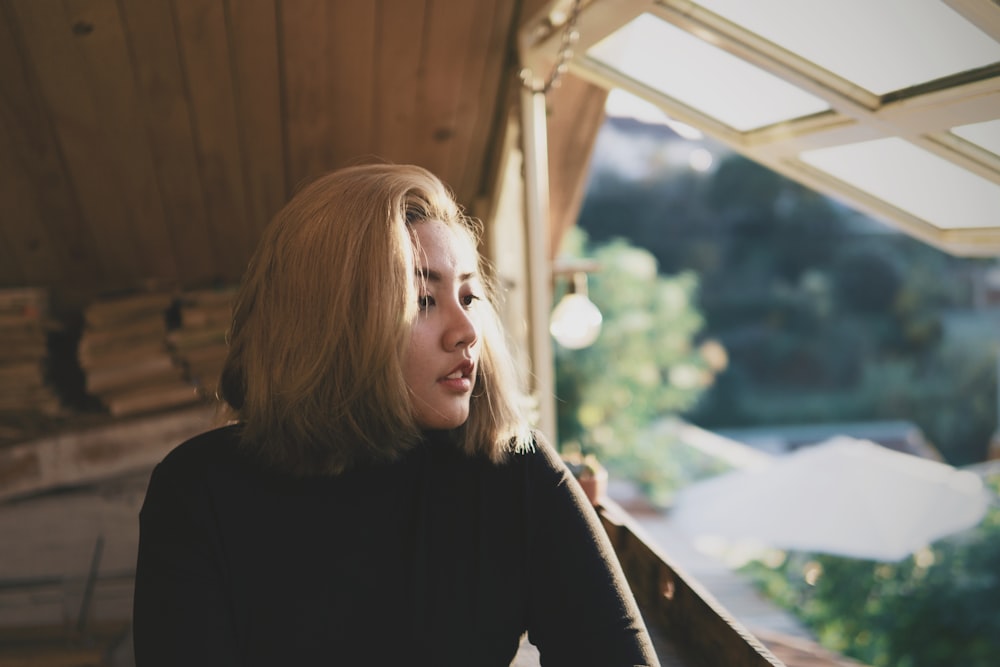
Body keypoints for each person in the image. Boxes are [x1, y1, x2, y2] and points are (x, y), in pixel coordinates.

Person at [132, 163, 660, 666]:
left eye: (469, 296)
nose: (467, 331)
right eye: (424, 300)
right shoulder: (198, 488)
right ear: (331, 321)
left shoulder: (514, 469)